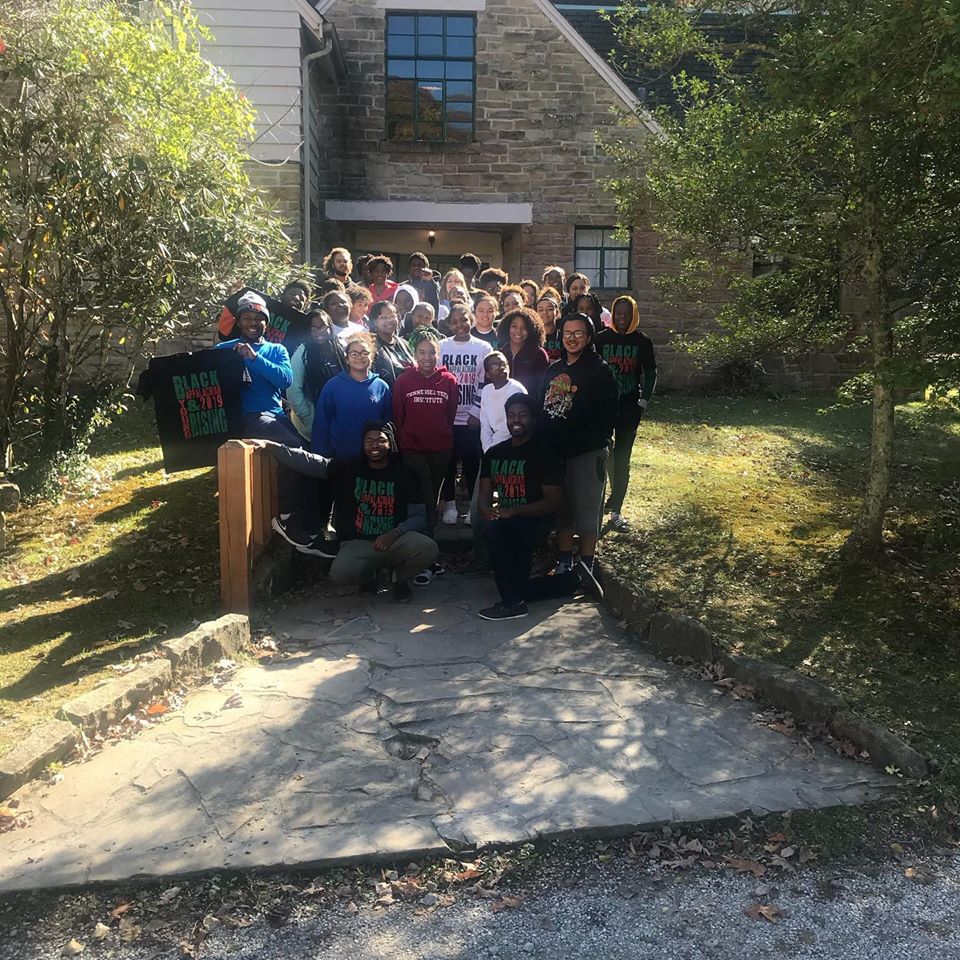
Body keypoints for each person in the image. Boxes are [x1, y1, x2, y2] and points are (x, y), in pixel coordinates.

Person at [250, 422, 439, 603]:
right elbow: (311, 462)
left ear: (390, 443)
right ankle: (368, 576)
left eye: (381, 440)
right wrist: (273, 447)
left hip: (395, 540)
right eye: (369, 441)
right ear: (362, 444)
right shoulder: (348, 468)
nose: (375, 445)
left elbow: (418, 515)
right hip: (359, 543)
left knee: (427, 548)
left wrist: (395, 533)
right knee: (340, 573)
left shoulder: (405, 473)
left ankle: (400, 578)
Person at [477, 394, 599, 621]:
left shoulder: (543, 453)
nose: (516, 420)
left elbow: (552, 502)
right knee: (499, 537)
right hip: (506, 517)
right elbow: (483, 495)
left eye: (522, 415)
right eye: (512, 415)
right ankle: (567, 582)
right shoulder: (495, 453)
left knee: (499, 533)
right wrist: (486, 510)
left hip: (537, 518)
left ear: (533, 419)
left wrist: (514, 511)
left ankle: (513, 603)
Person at [539, 312, 619, 576]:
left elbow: (605, 419)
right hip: (554, 454)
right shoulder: (554, 369)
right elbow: (542, 407)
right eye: (567, 334)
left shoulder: (600, 371)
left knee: (586, 512)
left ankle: (586, 564)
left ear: (589, 336)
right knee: (563, 511)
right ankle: (564, 562)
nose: (572, 339)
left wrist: (575, 445)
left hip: (586, 452)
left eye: (578, 334)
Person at [214, 293, 303, 527]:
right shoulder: (224, 349)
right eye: (246, 318)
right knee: (293, 447)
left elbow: (285, 380)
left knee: (308, 451)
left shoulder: (277, 350)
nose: (253, 323)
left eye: (258, 318)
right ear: (238, 321)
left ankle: (299, 508)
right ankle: (286, 514)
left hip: (276, 416)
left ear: (267, 322)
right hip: (247, 417)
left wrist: (254, 359)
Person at [392, 328, 458, 583]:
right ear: (415, 354)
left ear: (438, 354)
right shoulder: (404, 381)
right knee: (425, 499)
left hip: (441, 449)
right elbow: (399, 416)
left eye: (432, 352)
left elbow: (449, 415)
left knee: (433, 496)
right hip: (412, 449)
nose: (428, 357)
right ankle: (428, 557)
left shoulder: (449, 381)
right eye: (422, 352)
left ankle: (427, 555)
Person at [593, 295, 658, 531]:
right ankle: (602, 503)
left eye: (626, 314)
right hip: (604, 407)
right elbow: (593, 370)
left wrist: (643, 402)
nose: (622, 318)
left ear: (633, 315)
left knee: (622, 458)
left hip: (629, 407)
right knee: (603, 454)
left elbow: (651, 373)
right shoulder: (601, 339)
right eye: (618, 313)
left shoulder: (642, 341)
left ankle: (617, 511)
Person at [439, 306, 492, 525]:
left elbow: (484, 381)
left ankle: (472, 507)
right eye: (455, 321)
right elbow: (438, 378)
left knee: (472, 464)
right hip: (447, 418)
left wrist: (476, 412)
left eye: (464, 320)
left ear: (471, 320)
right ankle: (449, 504)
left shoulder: (483, 347)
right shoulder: (442, 346)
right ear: (449, 324)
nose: (460, 325)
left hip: (472, 418)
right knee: (448, 464)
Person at [312, 331, 392, 460]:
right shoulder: (333, 386)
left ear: (372, 357)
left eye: (364, 353)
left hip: (373, 458)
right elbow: (321, 423)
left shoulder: (381, 387)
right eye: (354, 353)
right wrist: (321, 455)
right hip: (339, 457)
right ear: (347, 359)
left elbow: (388, 423)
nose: (359, 357)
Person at [287, 308, 344, 441]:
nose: (319, 331)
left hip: (340, 420)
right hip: (314, 424)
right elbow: (293, 390)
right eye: (313, 328)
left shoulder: (339, 349)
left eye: (323, 326)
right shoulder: (302, 354)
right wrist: (309, 419)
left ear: (330, 326)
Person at [499, 307, 549, 395]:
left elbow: (542, 388)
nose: (519, 331)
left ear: (531, 330)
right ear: (507, 327)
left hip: (529, 405)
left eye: (525, 328)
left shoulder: (538, 354)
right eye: (514, 326)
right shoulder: (502, 353)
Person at [370, 300, 414, 388]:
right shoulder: (371, 347)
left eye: (392, 316)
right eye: (383, 317)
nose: (389, 320)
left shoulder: (405, 344)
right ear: (375, 321)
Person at [537, 293, 563, 360]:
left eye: (549, 309)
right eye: (540, 310)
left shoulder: (564, 334)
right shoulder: (534, 336)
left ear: (556, 312)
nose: (545, 312)